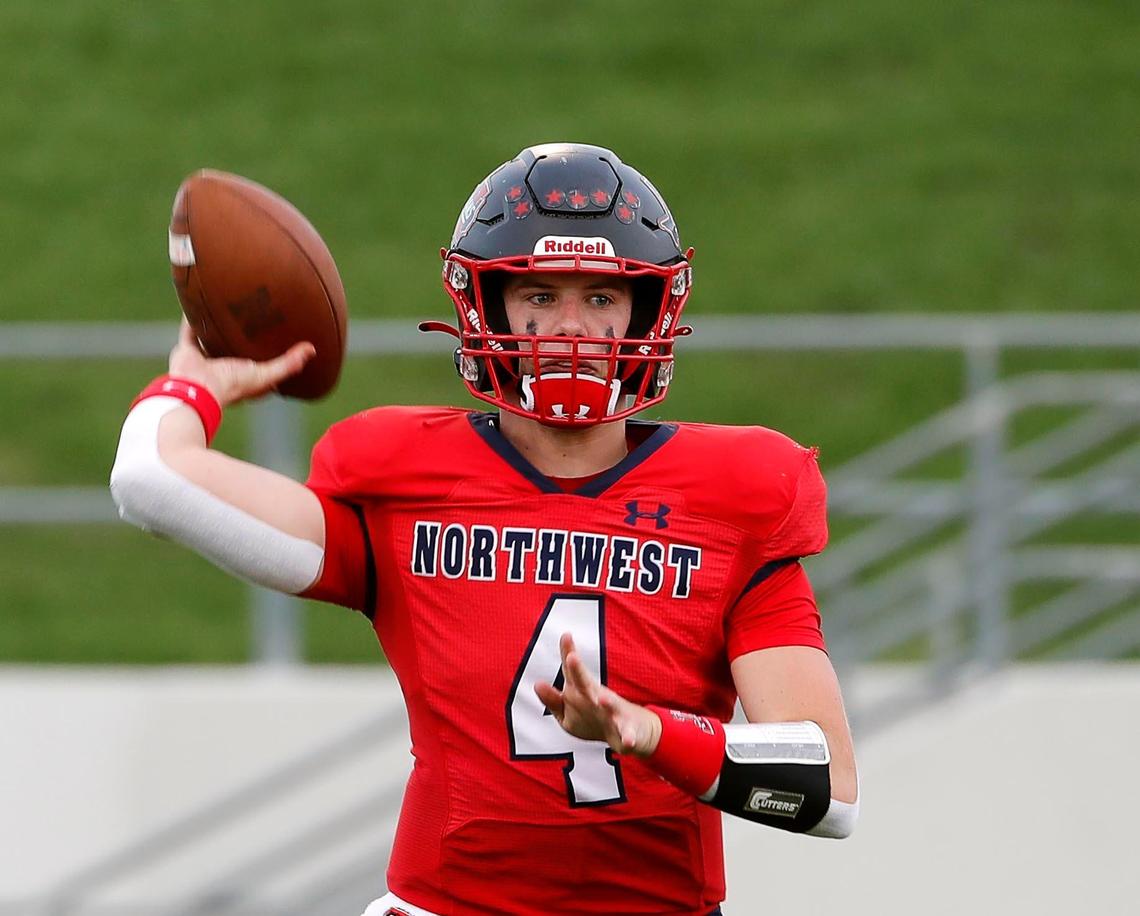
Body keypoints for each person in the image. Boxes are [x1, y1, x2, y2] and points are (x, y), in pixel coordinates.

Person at [110, 142, 858, 916]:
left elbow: (828, 786)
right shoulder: (403, 478)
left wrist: (648, 732)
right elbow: (151, 480)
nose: (571, 328)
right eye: (538, 294)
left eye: (602, 297)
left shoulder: (737, 495)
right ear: (485, 304)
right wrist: (190, 387)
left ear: (651, 309)